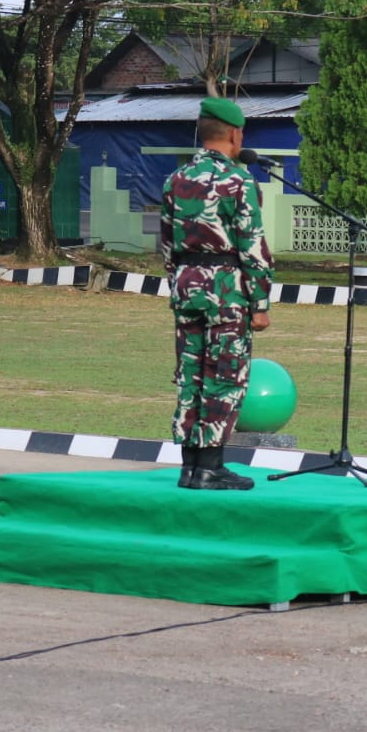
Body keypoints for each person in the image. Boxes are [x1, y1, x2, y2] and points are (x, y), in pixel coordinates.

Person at [160, 97, 274, 490]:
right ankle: (211, 467)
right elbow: (252, 247)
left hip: (187, 287)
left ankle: (190, 467)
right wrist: (260, 303)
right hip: (226, 289)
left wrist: (179, 284)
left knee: (190, 374)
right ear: (234, 133)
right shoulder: (239, 181)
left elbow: (166, 245)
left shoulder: (176, 179)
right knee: (224, 375)